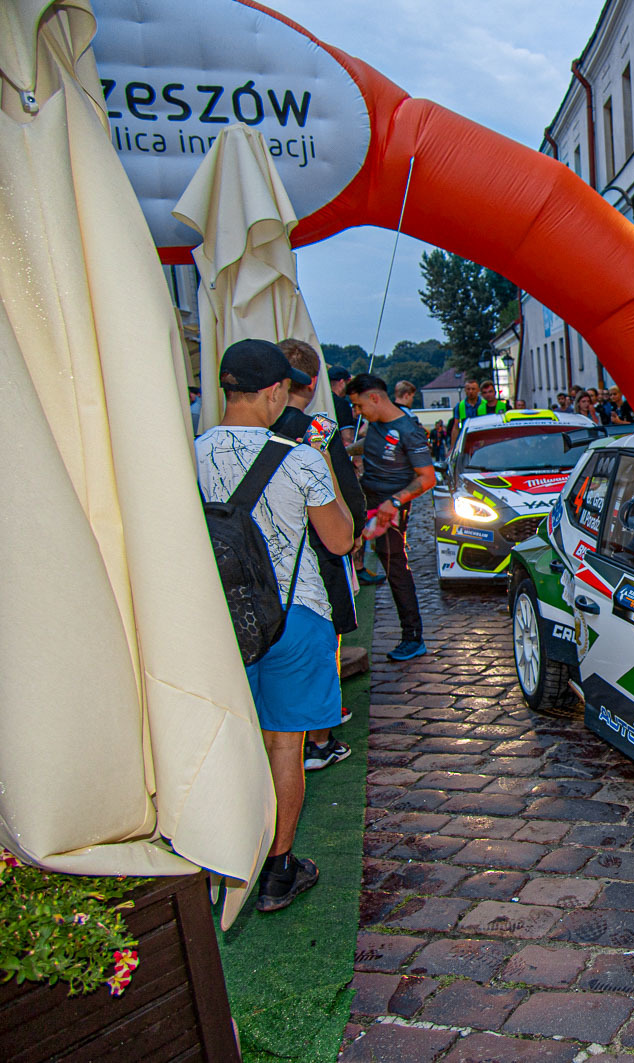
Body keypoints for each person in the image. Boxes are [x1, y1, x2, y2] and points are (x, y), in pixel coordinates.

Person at [196, 339, 354, 911]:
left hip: (217, 621)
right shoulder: (300, 457)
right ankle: (278, 870)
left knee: (224, 743)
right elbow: (340, 539)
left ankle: (220, 857)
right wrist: (324, 464)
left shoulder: (186, 454)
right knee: (285, 744)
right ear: (272, 392)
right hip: (294, 616)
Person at [272, 340, 363, 770]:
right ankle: (320, 739)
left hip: (264, 555)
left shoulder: (246, 431)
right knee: (326, 639)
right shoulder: (317, 430)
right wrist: (354, 527)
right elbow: (344, 488)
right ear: (310, 383)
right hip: (318, 547)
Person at [346, 373, 436, 662]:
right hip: (367, 502)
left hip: (390, 511)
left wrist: (394, 501)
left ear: (374, 398)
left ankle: (413, 637)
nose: (357, 413)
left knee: (396, 570)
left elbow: (428, 478)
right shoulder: (376, 424)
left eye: (359, 406)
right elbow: (370, 446)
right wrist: (342, 452)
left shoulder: (409, 429)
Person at [449, 378, 490, 446]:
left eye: (473, 389)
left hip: (484, 440)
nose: (470, 391)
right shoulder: (460, 406)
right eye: (468, 389)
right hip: (467, 442)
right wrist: (453, 446)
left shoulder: (486, 404)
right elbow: (456, 427)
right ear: (465, 390)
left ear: (478, 390)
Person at [328, 366, 357, 447]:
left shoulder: (320, 400)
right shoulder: (342, 404)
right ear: (342, 382)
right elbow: (348, 437)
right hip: (335, 449)